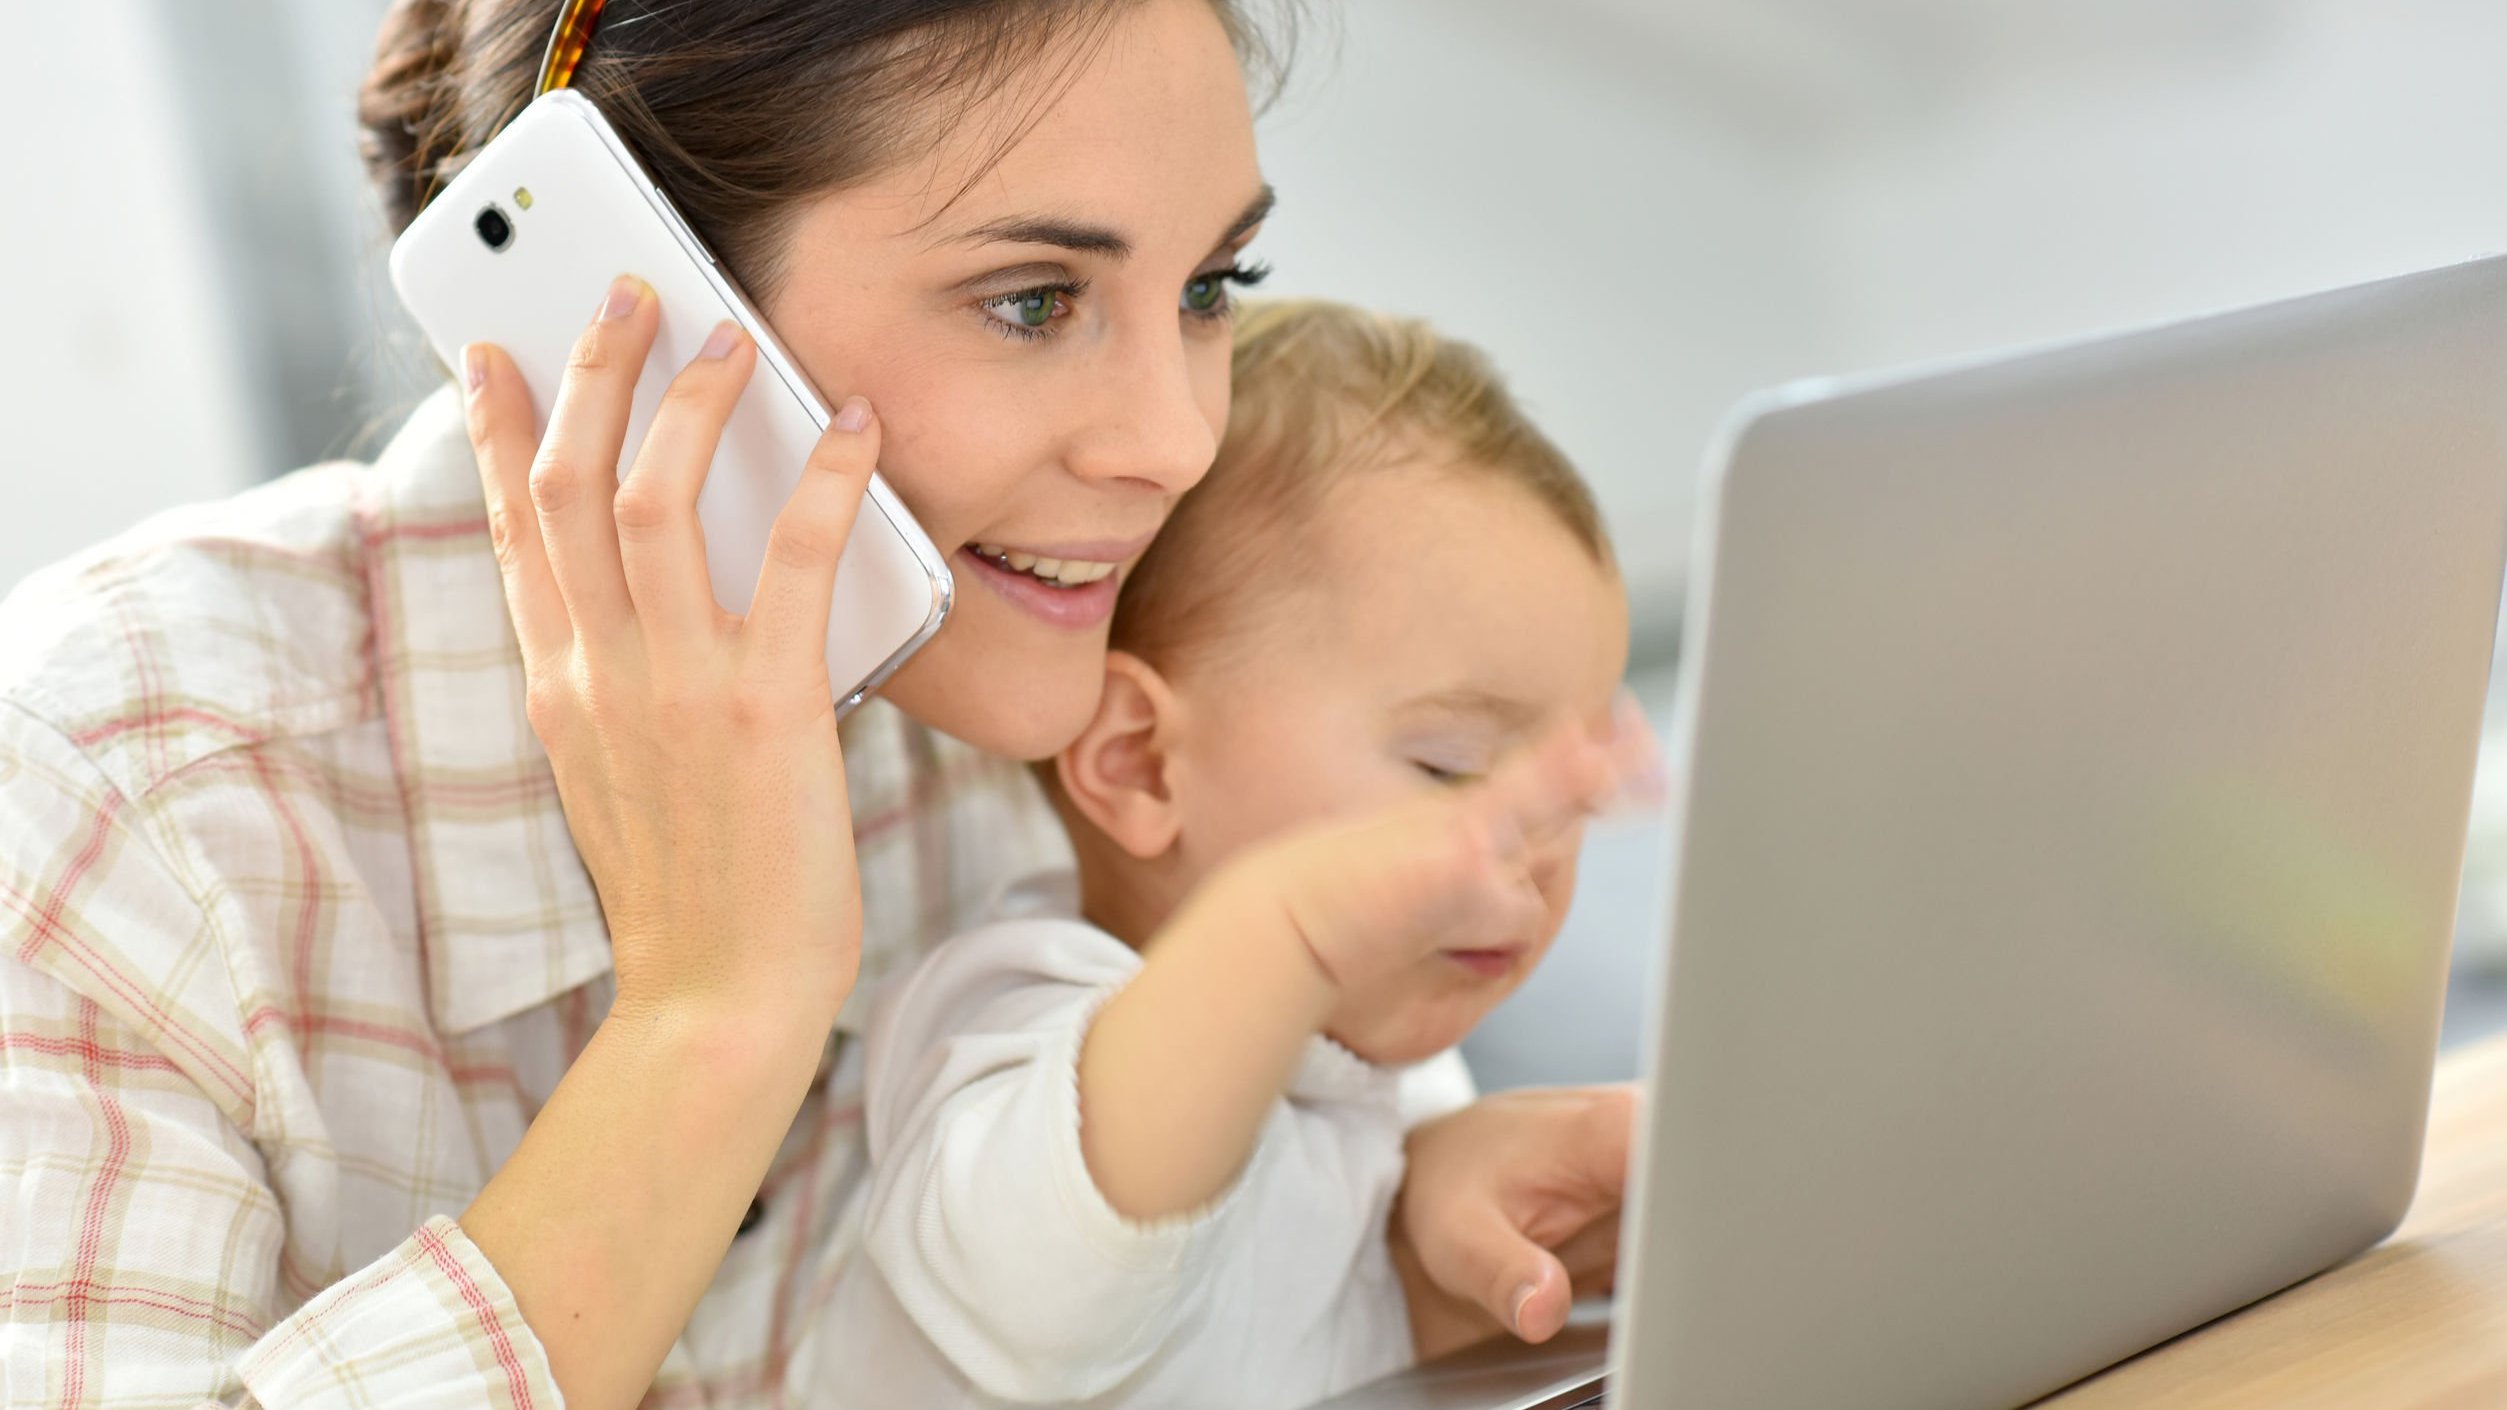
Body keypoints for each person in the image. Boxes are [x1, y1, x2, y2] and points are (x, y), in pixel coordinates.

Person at [0, 5, 1631, 1409]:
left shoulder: (1060, 657)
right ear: (621, 298)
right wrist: (716, 1015)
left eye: (1211, 284)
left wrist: (1395, 1220)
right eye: (1033, 302)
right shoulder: (115, 785)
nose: (1173, 438)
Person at [823, 300, 1651, 1408]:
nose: (1533, 851)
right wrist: (1290, 927)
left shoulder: (1385, 1077)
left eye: (1564, 795)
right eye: (1451, 769)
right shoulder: (1011, 1019)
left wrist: (1430, 1263)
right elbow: (1068, 1278)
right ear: (1141, 765)